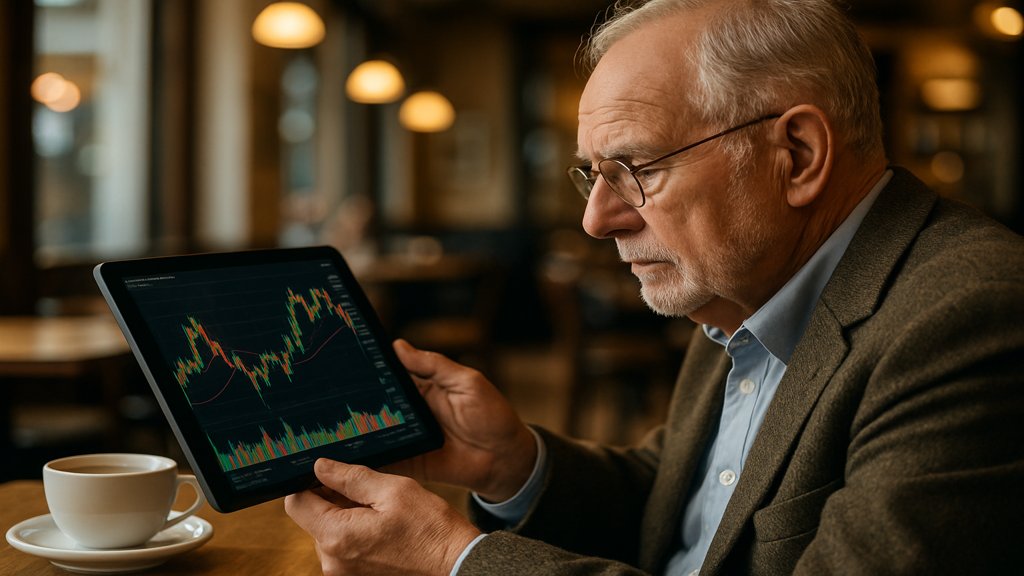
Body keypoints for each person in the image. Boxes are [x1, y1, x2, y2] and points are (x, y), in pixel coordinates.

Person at [284, 0, 1024, 573]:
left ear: (796, 155)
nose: (596, 219)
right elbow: (689, 505)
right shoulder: (740, 290)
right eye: (592, 175)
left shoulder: (973, 317)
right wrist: (513, 464)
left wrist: (456, 560)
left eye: (635, 169)